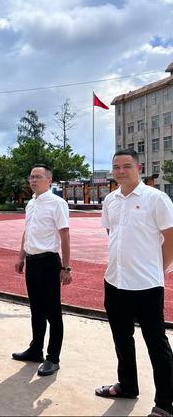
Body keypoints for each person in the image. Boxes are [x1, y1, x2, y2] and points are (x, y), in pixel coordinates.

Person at [95, 149, 173, 417]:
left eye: (126, 166)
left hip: (147, 286)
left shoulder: (156, 199)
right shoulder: (110, 201)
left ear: (138, 168)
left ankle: (165, 403)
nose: (120, 171)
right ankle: (128, 385)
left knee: (156, 343)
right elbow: (111, 232)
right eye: (116, 167)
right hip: (115, 281)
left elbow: (170, 237)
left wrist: (158, 269)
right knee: (121, 338)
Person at [13, 164, 72, 376]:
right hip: (32, 261)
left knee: (52, 313)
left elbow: (64, 236)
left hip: (49, 262)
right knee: (35, 310)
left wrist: (66, 267)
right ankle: (35, 349)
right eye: (31, 177)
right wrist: (21, 256)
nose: (33, 180)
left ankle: (53, 358)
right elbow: (27, 231)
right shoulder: (31, 203)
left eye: (38, 177)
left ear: (49, 180)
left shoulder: (58, 204)